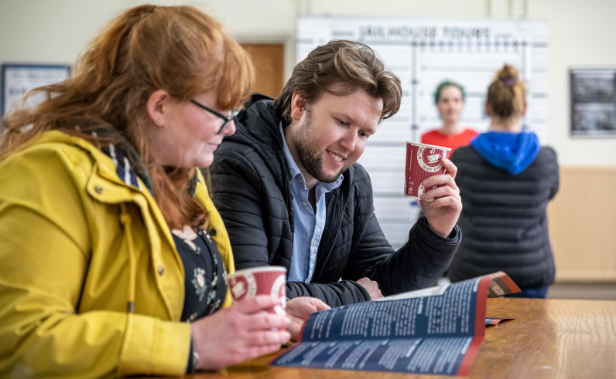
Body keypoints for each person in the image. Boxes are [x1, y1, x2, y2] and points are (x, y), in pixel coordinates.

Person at [0, 5, 327, 377]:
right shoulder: (48, 173)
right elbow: (21, 343)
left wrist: (267, 322)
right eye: (221, 113)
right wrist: (191, 344)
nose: (232, 130)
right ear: (159, 106)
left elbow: (197, 312)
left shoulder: (185, 179)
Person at [210, 40, 463, 307]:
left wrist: (436, 231)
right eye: (342, 122)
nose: (351, 145)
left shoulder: (352, 182)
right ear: (299, 105)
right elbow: (250, 294)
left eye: (364, 133)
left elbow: (384, 285)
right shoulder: (237, 165)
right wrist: (354, 294)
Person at [448, 64, 559, 298]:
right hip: (529, 272)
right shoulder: (546, 159)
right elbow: (550, 193)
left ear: (487, 108)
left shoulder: (462, 159)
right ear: (524, 108)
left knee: (479, 336)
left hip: (474, 274)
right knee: (532, 335)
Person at [421, 81, 478, 151]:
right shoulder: (425, 139)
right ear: (437, 105)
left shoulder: (475, 138)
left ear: (462, 104)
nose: (451, 106)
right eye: (445, 101)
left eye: (456, 100)